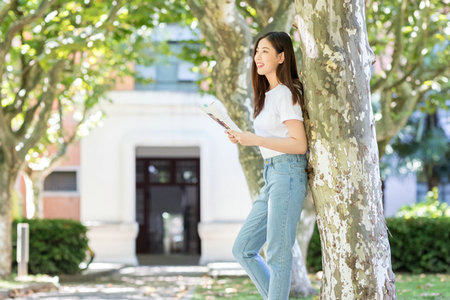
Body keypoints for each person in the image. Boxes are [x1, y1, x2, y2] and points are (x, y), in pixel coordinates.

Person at [225, 31, 308, 300]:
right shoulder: (268, 95)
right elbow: (271, 139)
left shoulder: (286, 93)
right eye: (256, 51)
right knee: (243, 248)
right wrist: (242, 137)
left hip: (289, 172)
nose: (257, 57)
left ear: (281, 57)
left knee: (277, 252)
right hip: (271, 174)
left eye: (265, 51)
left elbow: (299, 144)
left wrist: (255, 139)